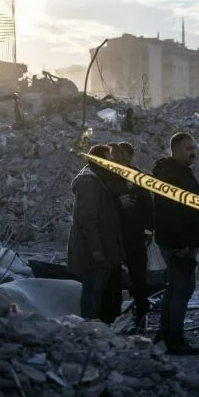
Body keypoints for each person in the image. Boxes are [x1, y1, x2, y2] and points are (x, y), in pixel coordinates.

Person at [152, 132, 199, 356]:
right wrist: (181, 243)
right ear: (174, 150)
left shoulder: (181, 172)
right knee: (183, 288)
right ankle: (174, 339)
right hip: (178, 243)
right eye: (188, 148)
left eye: (194, 148)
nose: (193, 152)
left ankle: (165, 334)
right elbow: (168, 214)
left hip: (182, 241)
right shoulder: (170, 175)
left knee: (176, 288)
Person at [67, 144, 124, 320]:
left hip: (102, 247)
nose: (112, 163)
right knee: (91, 290)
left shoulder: (98, 180)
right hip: (93, 250)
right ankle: (89, 327)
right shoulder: (89, 184)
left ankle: (94, 325)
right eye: (109, 159)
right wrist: (96, 249)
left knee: (97, 290)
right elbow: (88, 219)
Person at [110, 142, 153, 332]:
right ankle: (113, 317)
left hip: (135, 233)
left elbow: (147, 205)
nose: (123, 159)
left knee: (138, 277)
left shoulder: (136, 176)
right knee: (113, 276)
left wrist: (148, 230)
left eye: (125, 156)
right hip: (115, 233)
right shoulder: (108, 177)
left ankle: (141, 315)